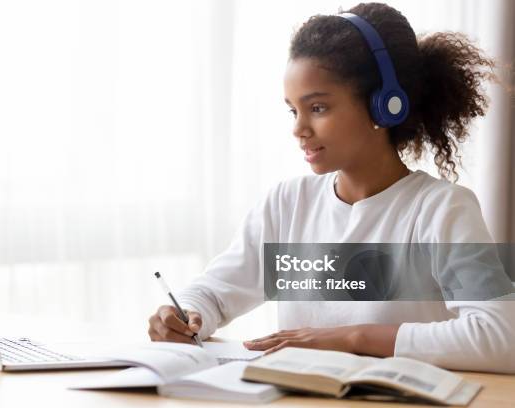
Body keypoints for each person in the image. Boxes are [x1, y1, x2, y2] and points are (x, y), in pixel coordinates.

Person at [147, 2, 515, 373]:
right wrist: (186, 314)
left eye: (318, 108)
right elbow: (213, 293)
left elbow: (503, 339)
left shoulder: (441, 209)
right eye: (294, 110)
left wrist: (353, 338)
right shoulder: (288, 204)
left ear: (384, 107)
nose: (299, 128)